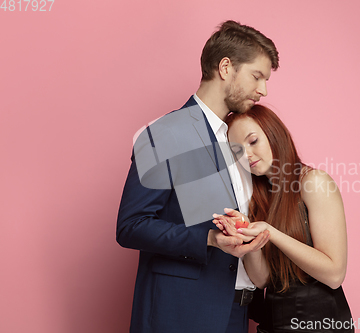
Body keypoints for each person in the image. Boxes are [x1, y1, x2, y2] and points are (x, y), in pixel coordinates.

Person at [116, 21, 279, 333]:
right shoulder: (165, 133)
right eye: (257, 76)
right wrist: (209, 239)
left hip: (236, 313)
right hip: (180, 313)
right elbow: (131, 226)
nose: (263, 90)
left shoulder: (238, 139)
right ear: (226, 67)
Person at [213, 105, 354, 333]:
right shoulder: (257, 198)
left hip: (320, 322)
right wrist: (248, 236)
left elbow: (334, 274)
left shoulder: (314, 182)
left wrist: (271, 232)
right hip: (274, 322)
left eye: (253, 141)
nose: (246, 155)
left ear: (274, 133)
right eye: (236, 150)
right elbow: (262, 281)